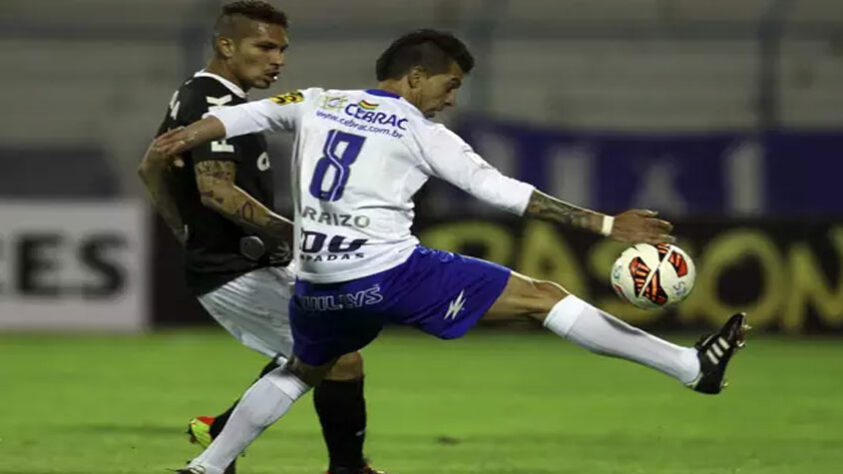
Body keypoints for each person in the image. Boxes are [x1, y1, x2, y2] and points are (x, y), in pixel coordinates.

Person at [154, 29, 749, 474]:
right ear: (415, 78)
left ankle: (204, 469)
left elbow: (235, 117)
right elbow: (501, 192)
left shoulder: (315, 99)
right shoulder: (419, 131)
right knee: (543, 299)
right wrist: (604, 224)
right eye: (449, 84)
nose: (449, 98)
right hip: (391, 272)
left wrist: (188, 134)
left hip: (317, 283)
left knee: (302, 369)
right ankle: (690, 368)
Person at [138, 2, 383, 473]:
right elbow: (216, 190)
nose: (278, 60)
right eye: (265, 47)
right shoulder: (215, 103)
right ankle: (342, 468)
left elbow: (150, 165)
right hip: (233, 267)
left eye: (282, 49)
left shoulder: (197, 94)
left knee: (312, 355)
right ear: (226, 46)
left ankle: (218, 443)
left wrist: (178, 227)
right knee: (338, 358)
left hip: (246, 261)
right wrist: (292, 233)